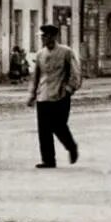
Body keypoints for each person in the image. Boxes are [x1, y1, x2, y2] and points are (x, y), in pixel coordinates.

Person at [26, 23, 81, 169]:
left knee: (59, 126)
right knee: (43, 129)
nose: (42, 39)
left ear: (52, 36)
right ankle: (48, 160)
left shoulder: (66, 52)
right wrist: (32, 94)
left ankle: (71, 147)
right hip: (43, 96)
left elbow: (75, 73)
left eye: (44, 36)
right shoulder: (40, 54)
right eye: (41, 36)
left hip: (60, 96)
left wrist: (69, 89)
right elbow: (36, 76)